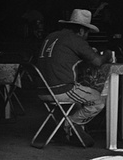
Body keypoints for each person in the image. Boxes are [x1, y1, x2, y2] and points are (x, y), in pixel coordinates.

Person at [36, 8, 112, 145]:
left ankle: (67, 128)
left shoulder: (52, 36)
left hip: (42, 90)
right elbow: (97, 61)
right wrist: (107, 54)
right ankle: (69, 123)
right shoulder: (76, 39)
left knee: (79, 98)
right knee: (98, 100)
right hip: (60, 90)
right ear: (82, 31)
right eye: (87, 33)